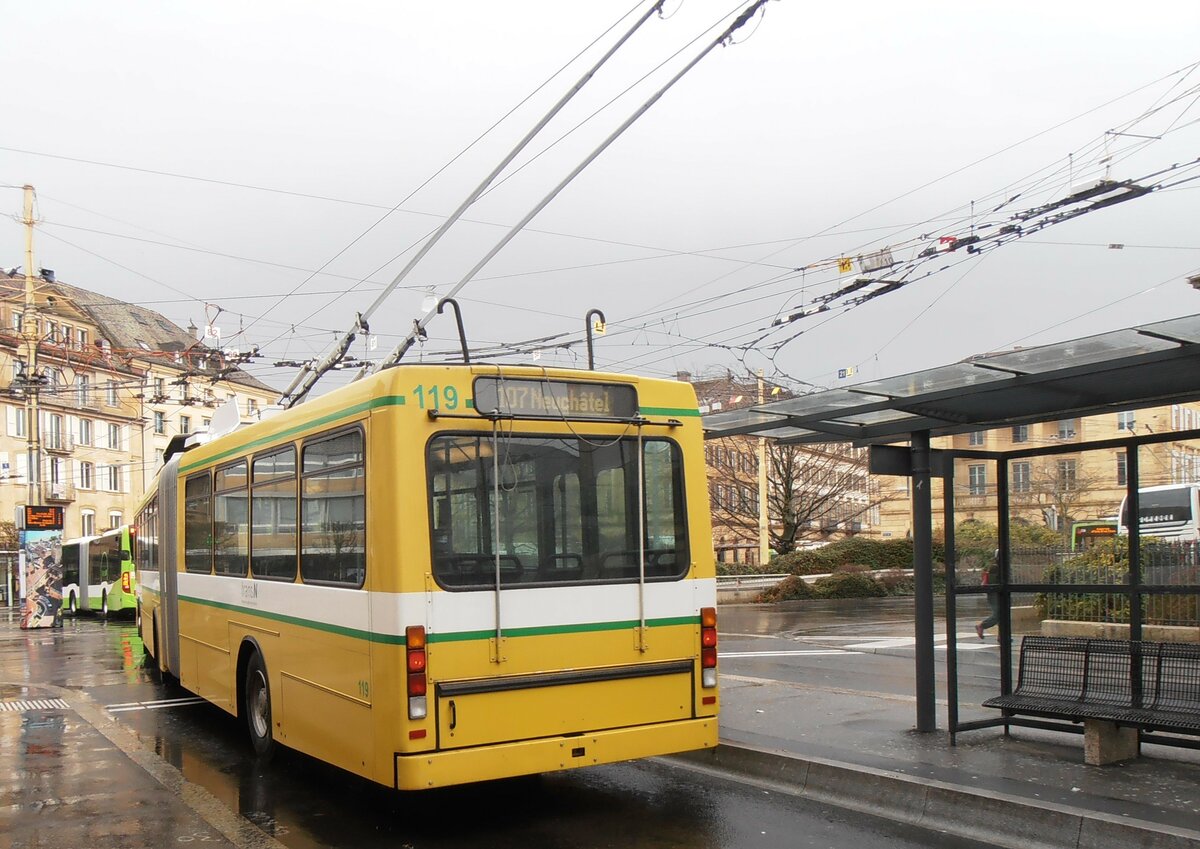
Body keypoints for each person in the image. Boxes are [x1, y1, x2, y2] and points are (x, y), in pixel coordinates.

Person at [975, 552, 1000, 640]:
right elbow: (992, 583)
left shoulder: (1003, 567)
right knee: (998, 614)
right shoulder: (995, 568)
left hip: (1000, 593)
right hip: (994, 594)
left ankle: (1002, 635)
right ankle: (982, 626)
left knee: (1003, 613)